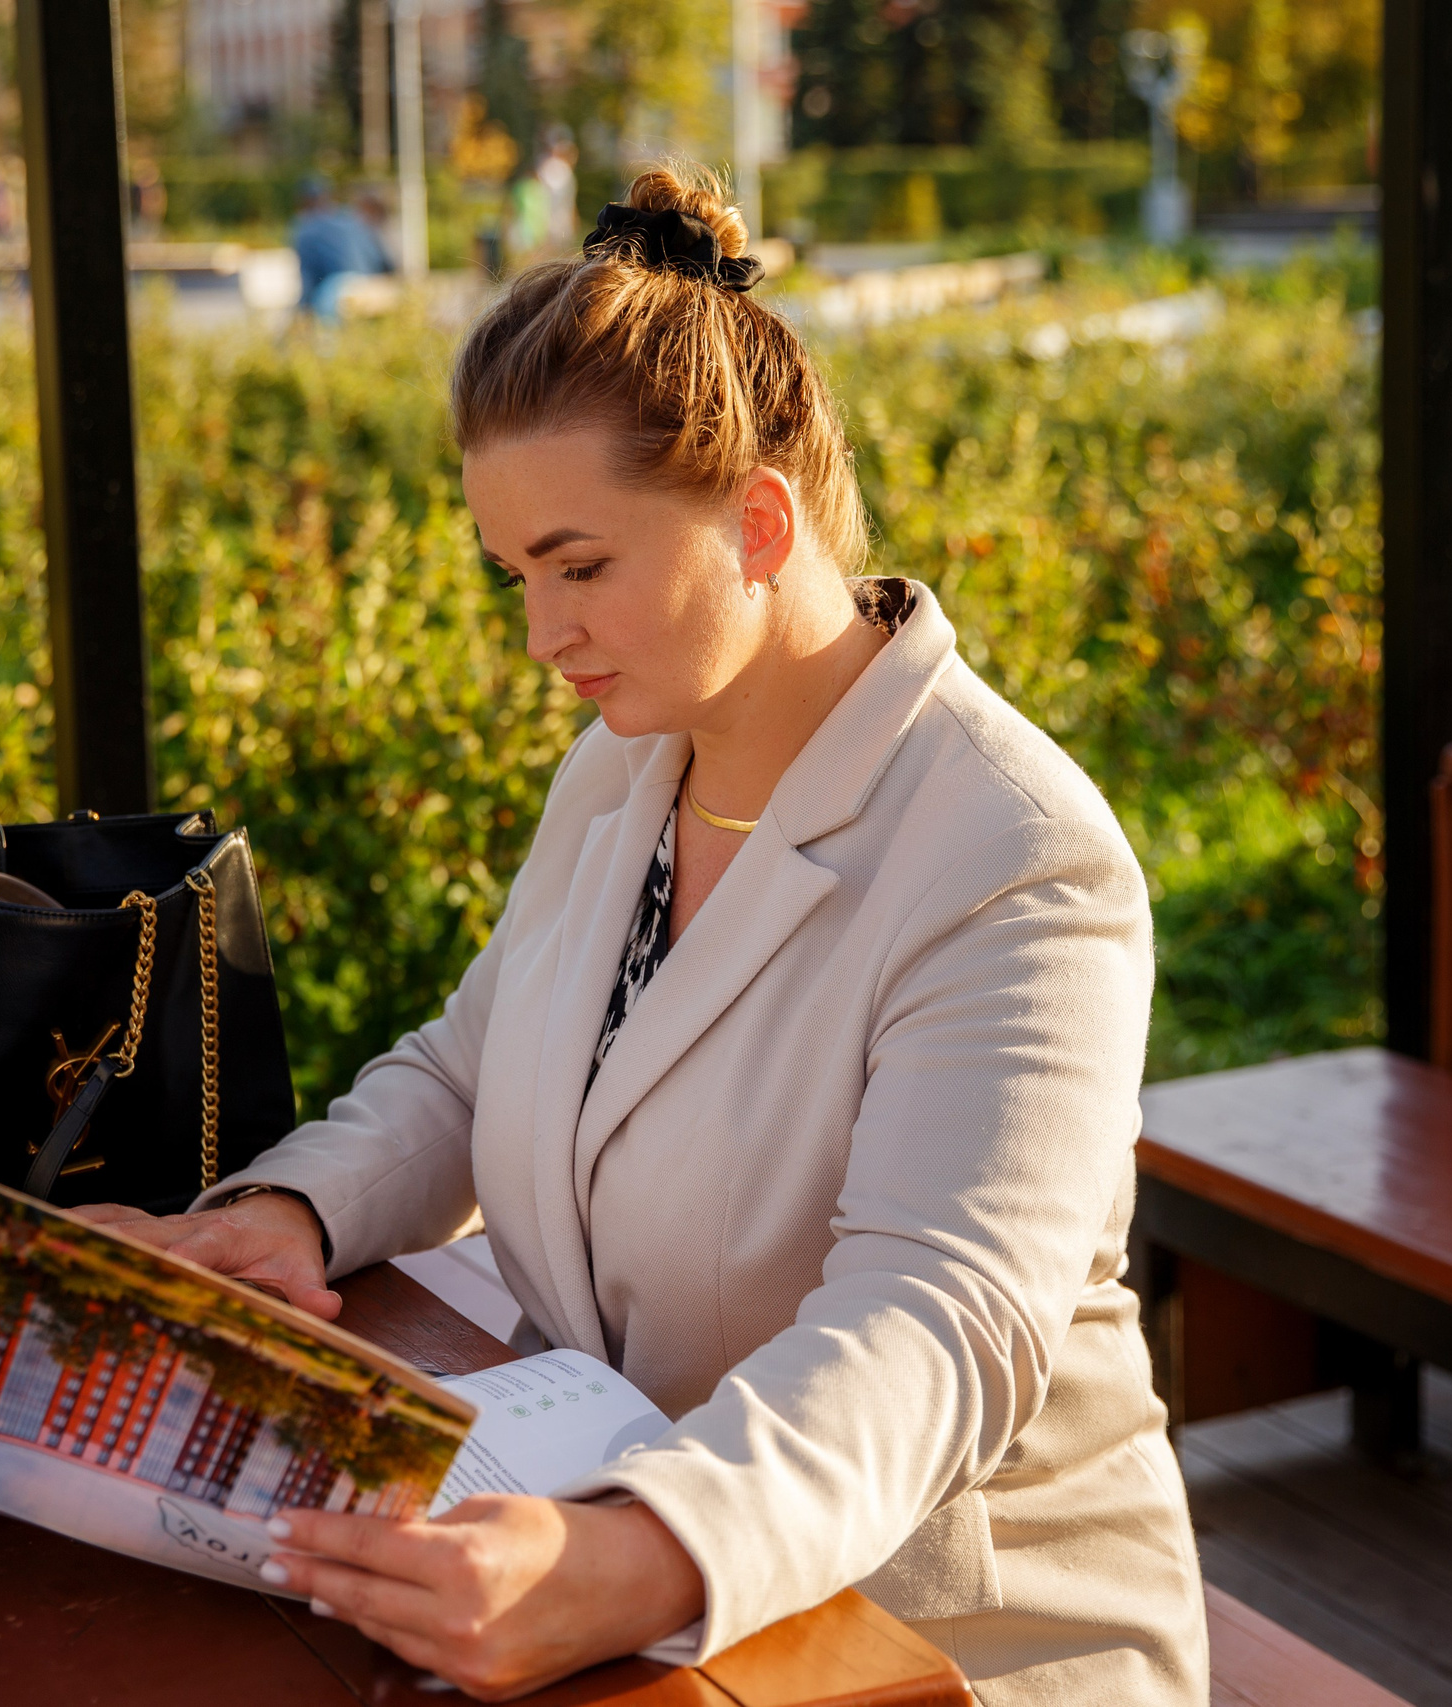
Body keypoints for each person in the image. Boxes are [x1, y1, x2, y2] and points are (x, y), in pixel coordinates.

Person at [77, 162, 1205, 1705]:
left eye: (580, 566)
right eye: (516, 577)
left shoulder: (1013, 854)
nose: (542, 639)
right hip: (598, 1559)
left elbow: (938, 1326)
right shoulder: (627, 766)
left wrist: (635, 1549)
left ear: (757, 524)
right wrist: (287, 1218)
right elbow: (476, 1064)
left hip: (938, 1647)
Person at [289, 174, 392, 321]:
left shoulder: (306, 226)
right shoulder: (352, 219)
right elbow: (381, 260)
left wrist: (301, 310)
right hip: (372, 288)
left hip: (338, 294)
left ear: (303, 201)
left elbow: (307, 275)